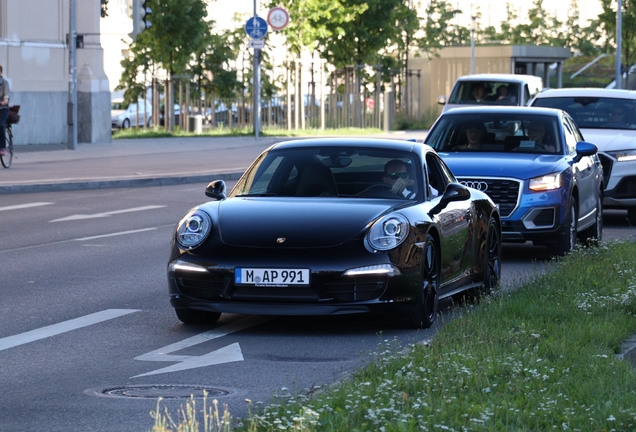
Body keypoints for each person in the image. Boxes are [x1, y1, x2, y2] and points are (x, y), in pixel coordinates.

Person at [0, 65, 9, 156]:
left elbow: (6, 95)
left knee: (0, 124)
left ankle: (2, 147)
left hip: (3, 109)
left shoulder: (5, 83)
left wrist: (4, 101)